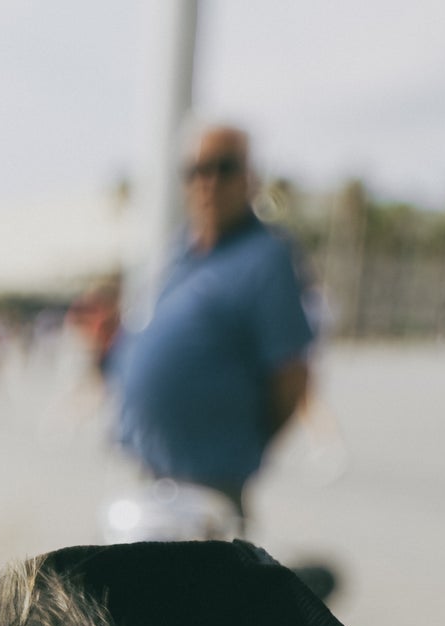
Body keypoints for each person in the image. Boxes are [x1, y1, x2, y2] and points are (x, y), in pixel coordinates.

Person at [111, 125, 313, 515]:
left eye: (225, 167)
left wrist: (235, 443)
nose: (209, 182)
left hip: (210, 483)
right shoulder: (179, 253)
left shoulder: (267, 257)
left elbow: (291, 376)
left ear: (249, 177)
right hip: (148, 473)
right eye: (197, 170)